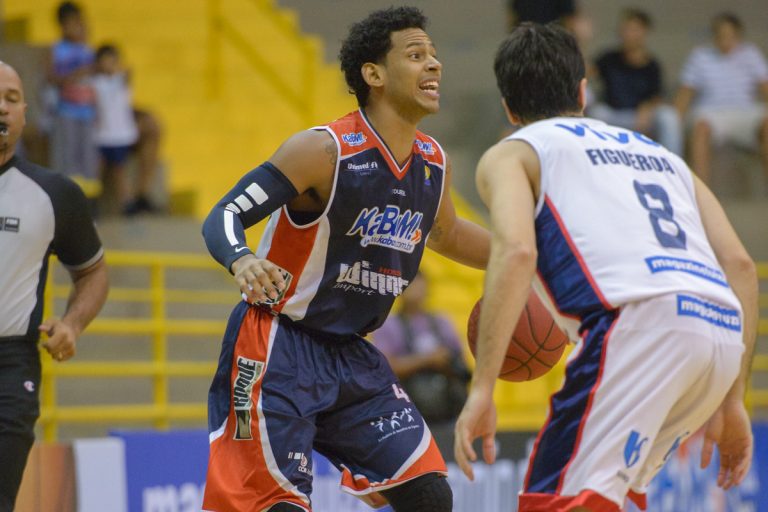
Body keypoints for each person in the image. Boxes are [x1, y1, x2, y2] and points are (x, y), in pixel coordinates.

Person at [454, 23, 757, 512]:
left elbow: (517, 252)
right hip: (720, 332)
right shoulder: (662, 155)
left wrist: (483, 387)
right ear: (582, 92)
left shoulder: (514, 152)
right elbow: (741, 265)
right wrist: (733, 399)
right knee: (610, 497)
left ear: (509, 109)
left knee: (553, 501)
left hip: (638, 327)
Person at [201, 6, 489, 512]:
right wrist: (242, 259)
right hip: (276, 346)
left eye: (434, 55)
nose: (434, 65)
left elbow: (447, 234)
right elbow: (225, 213)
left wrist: (531, 258)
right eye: (416, 55)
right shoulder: (323, 151)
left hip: (353, 357)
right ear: (373, 75)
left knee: (429, 495)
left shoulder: (432, 162)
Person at [0, 62, 108, 512]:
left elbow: (93, 273)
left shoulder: (54, 193)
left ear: (25, 113)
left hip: (10, 366)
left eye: (11, 99)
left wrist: (72, 324)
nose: (2, 108)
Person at [675, 12, 768, 185]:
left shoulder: (751, 54)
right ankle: (702, 190)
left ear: (738, 36)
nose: (725, 40)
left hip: (745, 113)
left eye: (730, 36)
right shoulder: (700, 56)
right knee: (700, 127)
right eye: (721, 35)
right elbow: (685, 93)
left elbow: (765, 87)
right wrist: (676, 122)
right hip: (711, 114)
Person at [373, 272, 470, 425]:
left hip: (448, 410)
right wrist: (428, 360)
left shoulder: (442, 322)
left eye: (419, 284)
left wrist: (445, 361)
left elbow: (461, 365)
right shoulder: (389, 325)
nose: (415, 289)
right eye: (411, 284)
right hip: (406, 413)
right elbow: (385, 369)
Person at [588, 8, 682, 156]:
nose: (628, 34)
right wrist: (584, 39)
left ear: (644, 32)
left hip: (641, 116)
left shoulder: (652, 65)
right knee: (597, 112)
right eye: (625, 29)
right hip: (614, 114)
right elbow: (583, 73)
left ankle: (673, 163)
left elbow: (657, 96)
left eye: (634, 30)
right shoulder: (608, 58)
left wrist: (647, 108)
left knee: (668, 115)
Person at [46, 1, 100, 199]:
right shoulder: (57, 49)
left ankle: (88, 198)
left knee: (88, 157)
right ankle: (65, 197)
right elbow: (51, 78)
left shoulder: (88, 49)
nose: (78, 26)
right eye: (73, 22)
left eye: (80, 21)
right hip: (66, 111)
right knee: (67, 156)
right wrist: (74, 75)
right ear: (62, 25)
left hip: (87, 112)